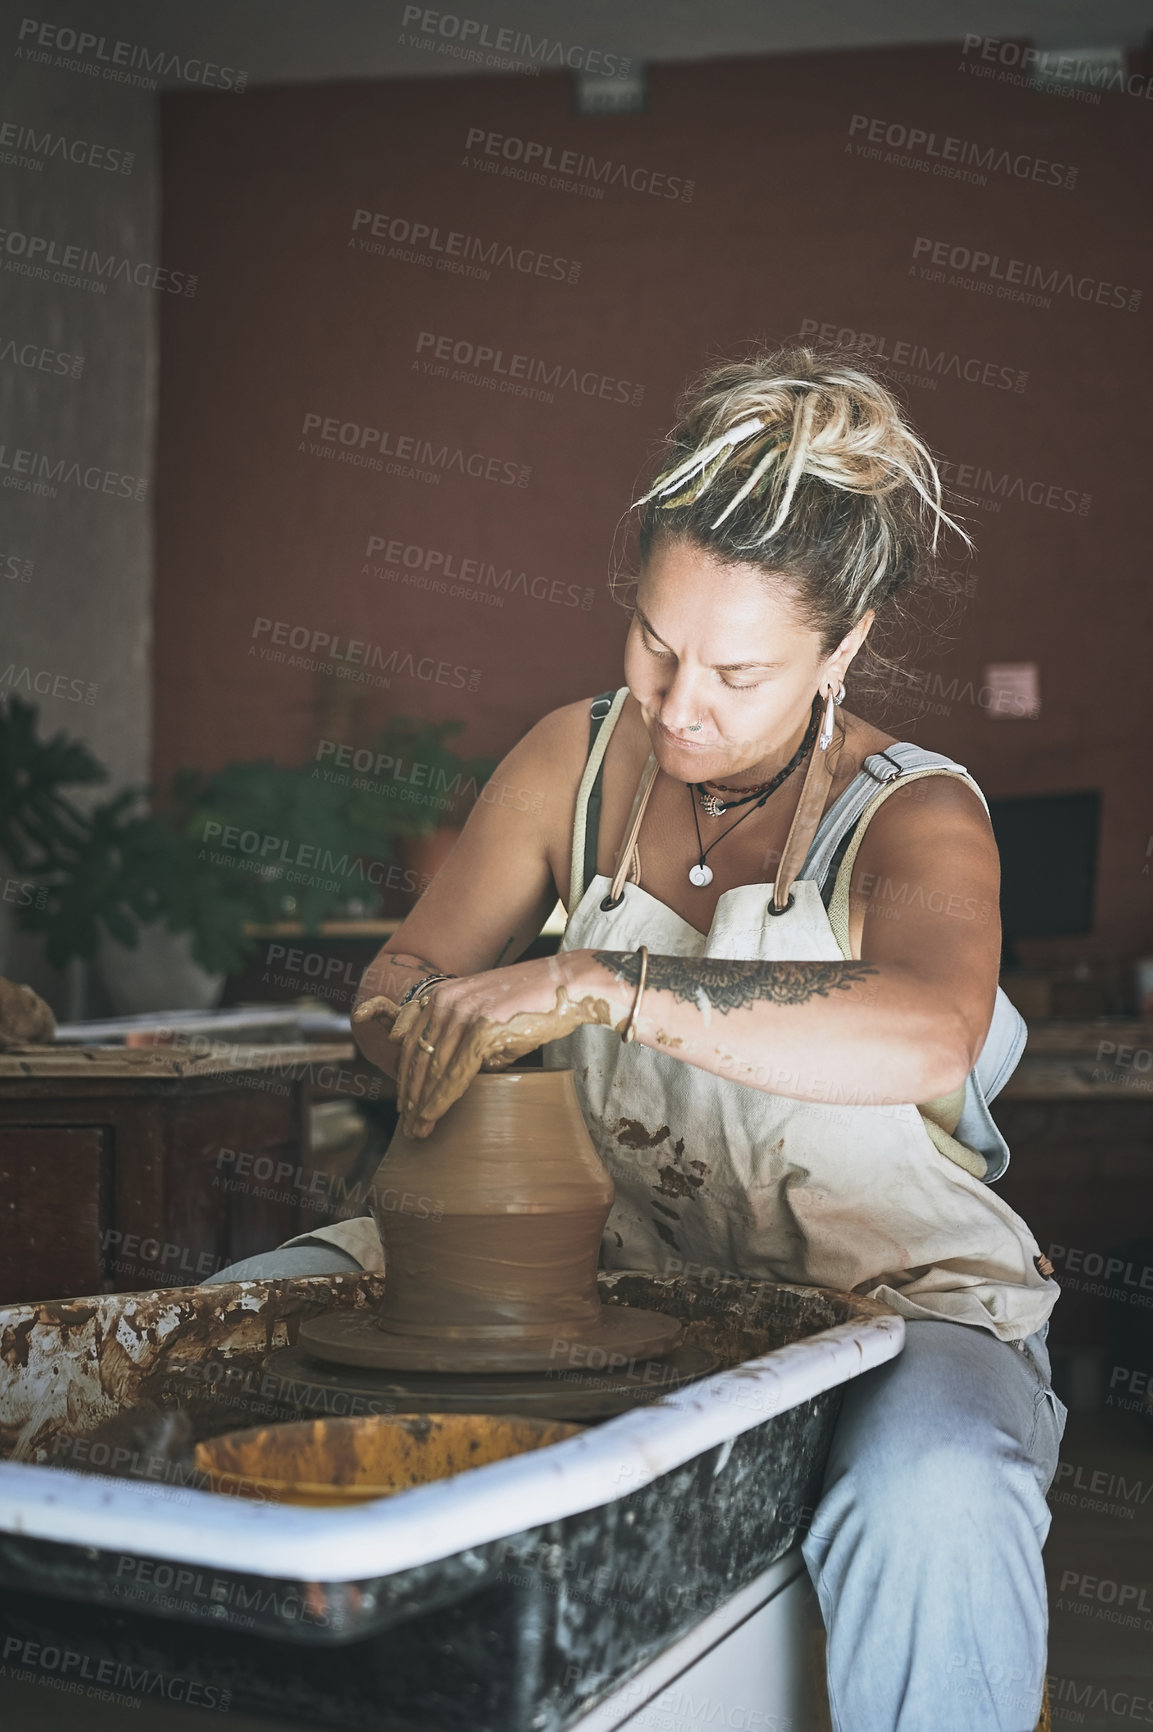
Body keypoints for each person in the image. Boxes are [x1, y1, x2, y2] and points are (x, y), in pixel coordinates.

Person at [215, 347, 1066, 1731]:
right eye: (655, 646)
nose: (679, 707)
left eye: (736, 672)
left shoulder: (910, 813)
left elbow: (923, 1034)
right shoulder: (576, 759)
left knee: (931, 1485)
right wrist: (435, 1031)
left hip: (891, 1300)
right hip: (587, 1268)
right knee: (222, 1346)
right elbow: (400, 978)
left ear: (841, 646)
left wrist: (600, 984)